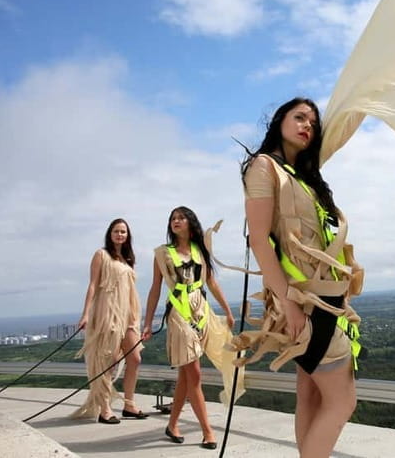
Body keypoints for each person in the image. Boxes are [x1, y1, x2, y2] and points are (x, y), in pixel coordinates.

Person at [232, 97, 365, 458]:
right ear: (280, 121)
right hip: (305, 304)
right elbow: (259, 241)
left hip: (325, 298)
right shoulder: (263, 167)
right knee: (342, 401)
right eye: (300, 117)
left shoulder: (302, 176)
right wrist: (288, 304)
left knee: (311, 395)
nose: (308, 125)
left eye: (313, 123)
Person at [142, 206, 237, 450]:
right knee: (194, 373)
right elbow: (155, 288)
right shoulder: (163, 254)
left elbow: (212, 282)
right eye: (173, 218)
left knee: (186, 375)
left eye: (181, 217)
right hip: (178, 314)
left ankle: (172, 424)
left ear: (189, 222)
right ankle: (208, 431)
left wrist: (227, 310)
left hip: (201, 312)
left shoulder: (199, 250)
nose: (176, 221)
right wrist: (148, 321)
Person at [71, 218, 148, 424]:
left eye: (123, 232)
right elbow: (93, 285)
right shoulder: (101, 255)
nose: (120, 235)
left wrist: (135, 318)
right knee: (108, 361)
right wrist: (85, 313)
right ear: (110, 233)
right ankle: (104, 409)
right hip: (107, 313)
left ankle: (129, 404)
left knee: (135, 358)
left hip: (128, 315)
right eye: (116, 231)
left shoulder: (127, 259)